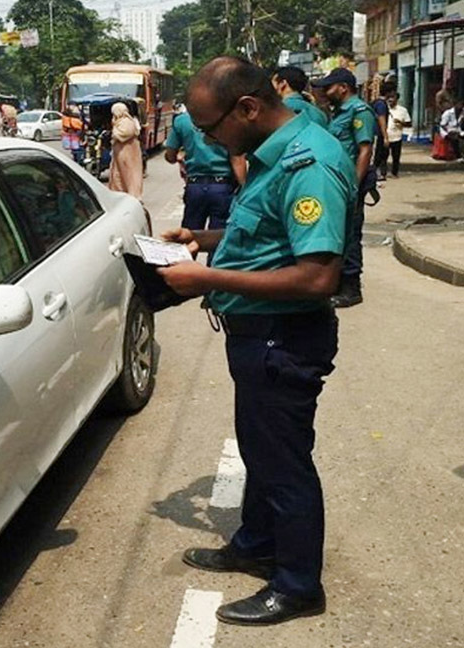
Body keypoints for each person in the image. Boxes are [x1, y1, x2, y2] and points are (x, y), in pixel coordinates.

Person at [158, 55, 354, 627]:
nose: (209, 140)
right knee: (259, 450)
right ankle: (255, 544)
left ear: (247, 108)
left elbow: (318, 275)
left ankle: (297, 585)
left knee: (284, 462)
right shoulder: (272, 153)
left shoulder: (307, 163)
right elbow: (265, 230)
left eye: (212, 129)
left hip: (282, 338)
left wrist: (207, 278)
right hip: (257, 337)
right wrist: (201, 237)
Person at [311, 67, 374, 308]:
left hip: (350, 183)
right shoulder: (337, 113)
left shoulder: (359, 111)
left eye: (329, 87)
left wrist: (354, 186)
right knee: (337, 232)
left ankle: (351, 287)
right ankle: (337, 283)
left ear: (343, 88)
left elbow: (365, 149)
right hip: (337, 181)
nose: (326, 91)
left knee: (350, 235)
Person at [164, 108, 246, 263]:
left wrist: (182, 156)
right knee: (220, 237)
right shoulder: (227, 118)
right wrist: (245, 188)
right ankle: (214, 278)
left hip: (195, 187)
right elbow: (237, 160)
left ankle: (185, 275)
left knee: (189, 234)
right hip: (222, 188)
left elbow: (170, 156)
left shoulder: (182, 121)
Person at [107, 102, 143, 200]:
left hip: (128, 153)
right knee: (117, 174)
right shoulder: (118, 121)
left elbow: (124, 133)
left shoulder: (127, 122)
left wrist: (115, 133)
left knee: (129, 174)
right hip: (119, 153)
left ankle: (133, 195)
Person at [370, 82, 396, 180]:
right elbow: (382, 120)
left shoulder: (376, 102)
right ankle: (373, 174)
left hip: (375, 132)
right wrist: (385, 137)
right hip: (377, 133)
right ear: (389, 92)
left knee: (379, 154)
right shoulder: (381, 104)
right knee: (377, 154)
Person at [383, 93, 411, 177]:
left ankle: (394, 173)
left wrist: (401, 122)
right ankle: (383, 173)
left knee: (396, 156)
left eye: (392, 97)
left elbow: (409, 123)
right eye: (389, 97)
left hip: (397, 137)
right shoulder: (383, 109)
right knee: (383, 156)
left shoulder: (403, 110)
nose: (390, 99)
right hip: (386, 136)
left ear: (397, 99)